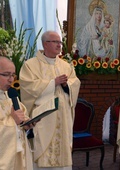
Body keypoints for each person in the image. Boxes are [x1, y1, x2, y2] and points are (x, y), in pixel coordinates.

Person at [19, 31, 81, 170]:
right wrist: (53, 83)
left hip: (63, 116)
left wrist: (67, 85)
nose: (59, 45)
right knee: (43, 149)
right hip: (44, 117)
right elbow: (28, 86)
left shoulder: (66, 65)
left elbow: (75, 82)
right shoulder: (30, 65)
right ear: (45, 44)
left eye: (60, 42)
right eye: (55, 42)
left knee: (63, 149)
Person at [0, 56, 34, 170]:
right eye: (6, 74)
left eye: (13, 75)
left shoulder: (10, 95)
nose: (11, 80)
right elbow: (15, 120)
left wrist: (27, 123)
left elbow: (21, 116)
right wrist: (13, 121)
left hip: (18, 156)